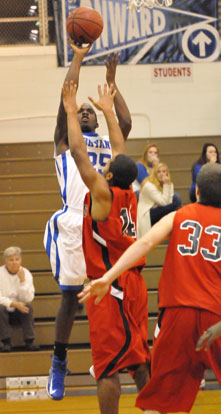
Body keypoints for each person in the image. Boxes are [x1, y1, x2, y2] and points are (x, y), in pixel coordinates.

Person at [79, 162, 221, 414]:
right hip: (215, 316)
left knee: (160, 400)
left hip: (178, 314)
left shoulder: (180, 215)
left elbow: (144, 243)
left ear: (196, 191)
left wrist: (109, 276)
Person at [44, 41, 132, 401]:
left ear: (96, 118)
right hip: (74, 223)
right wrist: (78, 58)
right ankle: (59, 361)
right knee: (70, 299)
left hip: (106, 224)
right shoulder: (67, 142)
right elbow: (68, 97)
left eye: (88, 112)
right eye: (78, 112)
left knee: (109, 297)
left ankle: (107, 358)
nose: (83, 112)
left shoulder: (110, 144)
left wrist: (113, 83)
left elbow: (123, 121)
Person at [63, 80, 151, 414]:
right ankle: (156, 408)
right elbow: (119, 148)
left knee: (108, 365)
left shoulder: (103, 195)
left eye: (107, 168)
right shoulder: (130, 193)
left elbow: (78, 154)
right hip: (135, 284)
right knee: (140, 358)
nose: (103, 166)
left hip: (109, 286)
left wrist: (72, 111)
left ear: (109, 175)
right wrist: (108, 112)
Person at [0, 246, 39, 352]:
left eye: (17, 259)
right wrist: (14, 304)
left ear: (21, 260)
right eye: (11, 260)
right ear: (5, 262)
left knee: (28, 307)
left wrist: (22, 281)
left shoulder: (26, 274)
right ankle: (6, 342)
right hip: (4, 312)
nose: (14, 262)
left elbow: (28, 298)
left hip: (20, 311)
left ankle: (29, 342)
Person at [137, 162, 180, 238]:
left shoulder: (166, 183)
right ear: (154, 173)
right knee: (176, 200)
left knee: (175, 202)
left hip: (157, 209)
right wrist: (167, 185)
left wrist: (169, 184)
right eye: (159, 172)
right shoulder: (149, 185)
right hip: (147, 213)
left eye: (164, 171)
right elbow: (163, 202)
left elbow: (168, 201)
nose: (161, 174)